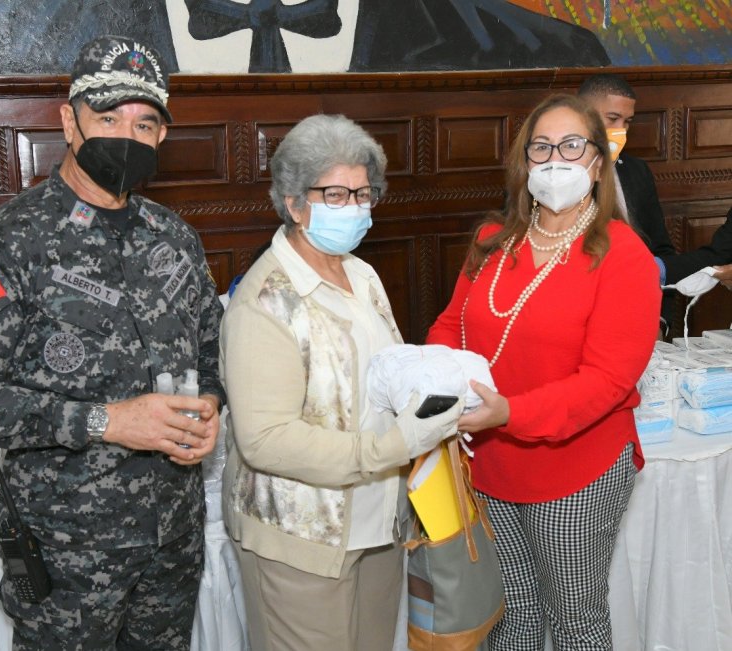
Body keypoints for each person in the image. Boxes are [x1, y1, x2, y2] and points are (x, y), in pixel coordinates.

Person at [0, 34, 224, 650]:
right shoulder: (2, 245)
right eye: (108, 117)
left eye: (145, 123)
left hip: (172, 539)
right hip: (68, 555)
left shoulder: (175, 238)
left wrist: (211, 406)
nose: (127, 136)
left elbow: (206, 351)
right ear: (69, 121)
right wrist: (106, 421)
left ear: (162, 136)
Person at [219, 113, 463, 651]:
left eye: (362, 193)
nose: (353, 206)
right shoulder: (265, 302)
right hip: (300, 536)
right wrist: (392, 446)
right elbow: (265, 440)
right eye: (334, 193)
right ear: (294, 204)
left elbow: (382, 371)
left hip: (377, 524)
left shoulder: (360, 273)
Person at [427, 94, 660, 650]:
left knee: (575, 620)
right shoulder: (492, 240)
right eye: (541, 147)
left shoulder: (623, 254)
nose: (556, 159)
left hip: (577, 468)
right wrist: (438, 377)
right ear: (523, 161)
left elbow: (608, 381)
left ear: (598, 163)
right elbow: (449, 325)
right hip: (489, 462)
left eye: (572, 146)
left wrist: (510, 412)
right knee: (510, 617)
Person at [578, 73, 679, 332]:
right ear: (582, 115)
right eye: (612, 119)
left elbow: (661, 250)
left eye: (627, 121)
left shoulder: (637, 171)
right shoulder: (551, 176)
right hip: (579, 319)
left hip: (640, 317)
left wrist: (660, 321)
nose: (621, 129)